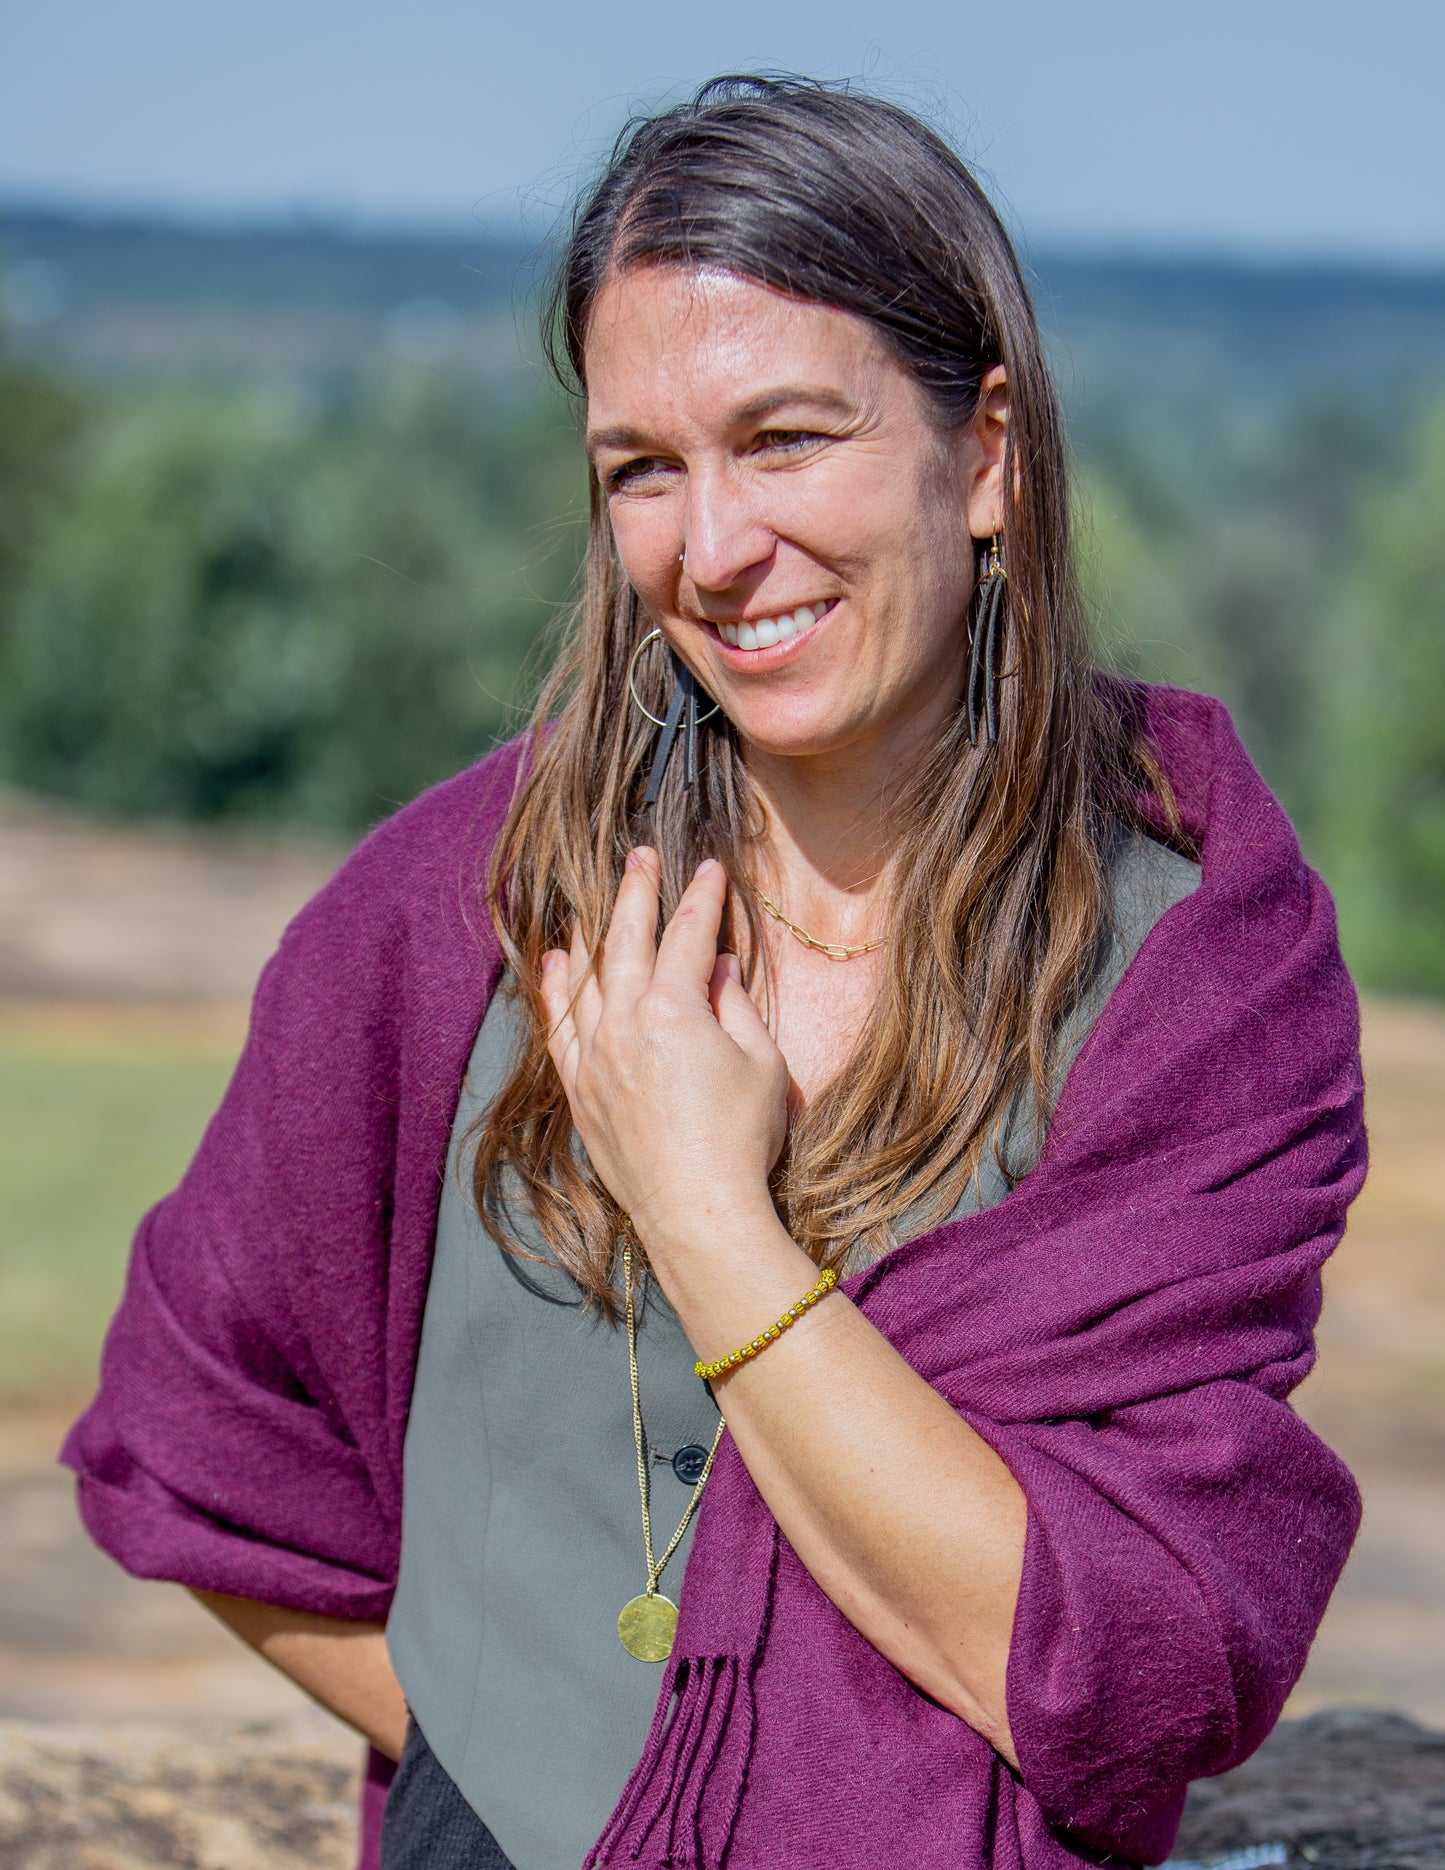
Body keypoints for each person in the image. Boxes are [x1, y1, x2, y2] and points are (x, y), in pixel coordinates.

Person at [63, 75, 1366, 1870]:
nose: (714, 544)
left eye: (785, 439)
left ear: (982, 455)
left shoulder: (1192, 969)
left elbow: (1127, 1663)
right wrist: (491, 1769)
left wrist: (699, 1206)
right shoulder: (458, 908)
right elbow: (195, 1434)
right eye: (642, 471)